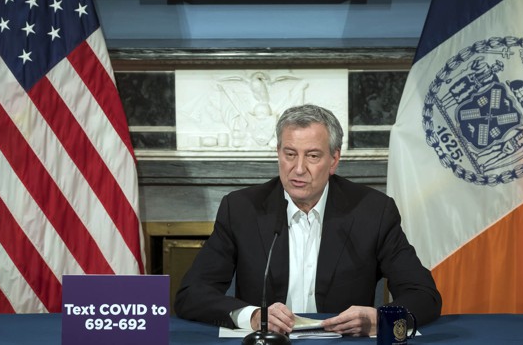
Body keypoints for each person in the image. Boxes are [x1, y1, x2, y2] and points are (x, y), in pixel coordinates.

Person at [174, 104, 442, 336]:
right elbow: (191, 294)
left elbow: (424, 295)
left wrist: (381, 319)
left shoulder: (373, 211)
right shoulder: (242, 209)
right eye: (290, 154)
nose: (298, 168)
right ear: (278, 153)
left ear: (334, 160)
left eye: (312, 156)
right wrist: (253, 316)